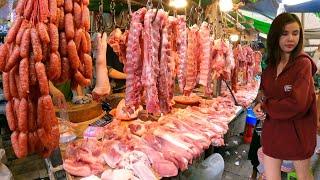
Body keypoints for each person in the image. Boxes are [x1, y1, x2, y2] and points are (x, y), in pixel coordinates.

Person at [254, 13, 317, 180]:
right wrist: (259, 105)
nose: (290, 38)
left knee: (303, 176)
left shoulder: (303, 64)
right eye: (284, 33)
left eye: (295, 33)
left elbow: (297, 103)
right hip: (273, 131)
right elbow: (264, 94)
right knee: (271, 176)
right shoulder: (270, 67)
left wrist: (267, 105)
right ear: (275, 35)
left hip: (298, 132)